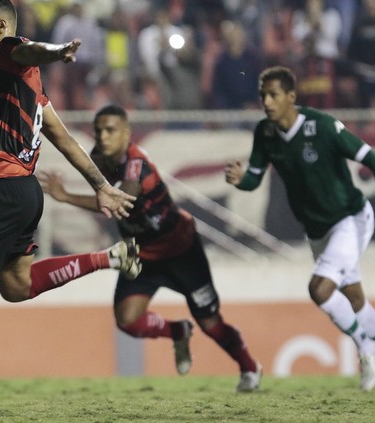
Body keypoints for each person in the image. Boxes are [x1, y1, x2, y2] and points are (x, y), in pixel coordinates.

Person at [0, 0, 139, 410]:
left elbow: (30, 48)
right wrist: (101, 186)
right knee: (16, 286)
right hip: (25, 192)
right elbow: (64, 138)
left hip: (0, 187)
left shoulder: (9, 53)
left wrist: (57, 52)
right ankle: (108, 258)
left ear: (1, 28)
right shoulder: (28, 86)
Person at [40, 105, 261, 392]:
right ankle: (178, 331)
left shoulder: (136, 163)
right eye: (99, 131)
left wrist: (66, 197)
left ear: (126, 133)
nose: (103, 137)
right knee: (127, 319)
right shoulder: (97, 161)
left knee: (210, 323)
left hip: (181, 250)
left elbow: (122, 200)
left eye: (110, 130)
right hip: (142, 254)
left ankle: (249, 367)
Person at [225, 65, 375, 392]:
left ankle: (366, 349)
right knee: (354, 297)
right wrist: (241, 181)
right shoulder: (265, 132)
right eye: (263, 95)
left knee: (320, 289)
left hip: (351, 218)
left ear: (291, 97)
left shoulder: (322, 126)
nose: (267, 101)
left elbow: (367, 156)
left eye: (274, 95)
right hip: (318, 229)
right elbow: (254, 178)